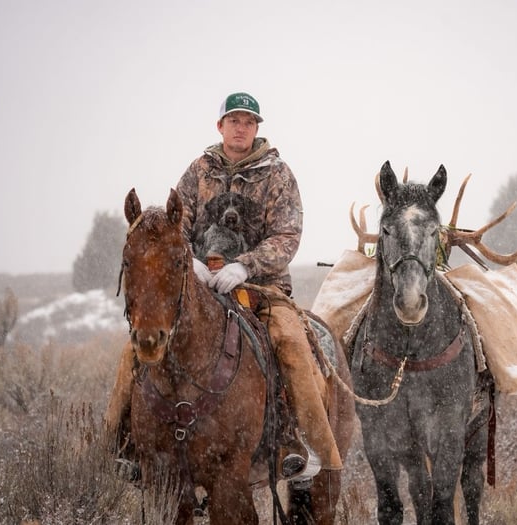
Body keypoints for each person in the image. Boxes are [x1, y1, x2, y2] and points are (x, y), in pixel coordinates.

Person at [106, 92, 343, 483]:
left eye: (248, 122)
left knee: (291, 344)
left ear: (256, 129)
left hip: (263, 289)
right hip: (198, 289)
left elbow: (287, 235)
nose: (241, 128)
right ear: (220, 126)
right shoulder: (199, 171)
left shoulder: (277, 174)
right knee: (136, 349)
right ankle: (120, 445)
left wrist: (245, 266)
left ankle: (302, 443)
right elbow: (175, 226)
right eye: (234, 121)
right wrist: (192, 262)